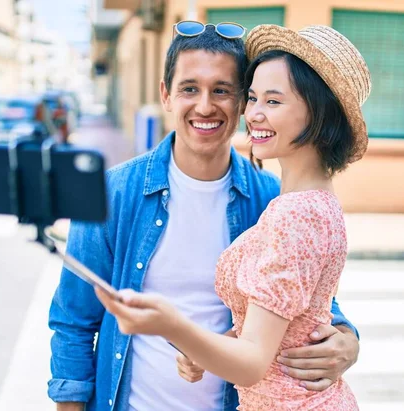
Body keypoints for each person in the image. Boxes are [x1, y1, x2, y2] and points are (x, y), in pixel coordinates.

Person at [48, 23, 360, 411]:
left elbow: (308, 302)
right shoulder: (113, 193)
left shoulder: (270, 199)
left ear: (237, 103)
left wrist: (348, 339)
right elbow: (73, 322)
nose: (205, 106)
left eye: (223, 91)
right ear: (166, 95)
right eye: (190, 88)